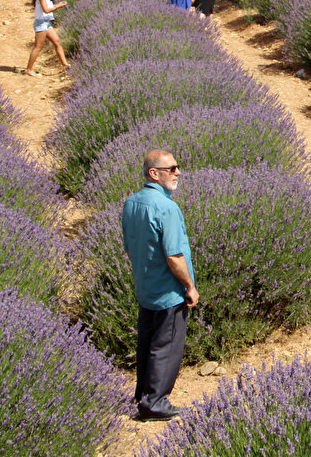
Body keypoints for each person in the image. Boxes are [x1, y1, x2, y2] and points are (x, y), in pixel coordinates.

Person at [121, 149, 198, 422]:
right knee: (166, 346)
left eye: (178, 167)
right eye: (172, 169)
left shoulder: (131, 203)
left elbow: (129, 249)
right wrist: (189, 286)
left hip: (145, 288)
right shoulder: (167, 208)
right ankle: (154, 403)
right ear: (154, 173)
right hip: (169, 291)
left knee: (147, 342)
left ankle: (142, 395)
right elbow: (174, 256)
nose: (178, 173)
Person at [24, 0, 69, 77]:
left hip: (46, 23)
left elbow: (47, 9)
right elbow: (46, 10)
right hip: (41, 23)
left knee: (57, 42)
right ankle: (29, 69)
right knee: (38, 47)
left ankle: (65, 65)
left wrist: (57, 5)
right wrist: (58, 6)